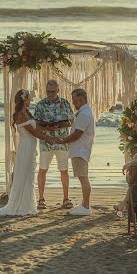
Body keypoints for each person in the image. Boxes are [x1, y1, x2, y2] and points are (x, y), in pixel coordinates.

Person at [0, 89, 58, 216]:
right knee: (25, 173)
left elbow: (36, 127)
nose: (30, 100)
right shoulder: (20, 115)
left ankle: (27, 204)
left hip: (30, 145)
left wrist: (49, 128)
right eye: (28, 98)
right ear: (24, 100)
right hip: (26, 146)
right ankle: (22, 205)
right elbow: (33, 132)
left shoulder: (26, 113)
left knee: (30, 174)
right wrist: (50, 139)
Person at [33, 79, 74, 210]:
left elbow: (72, 121)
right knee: (43, 170)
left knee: (64, 171)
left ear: (58, 90)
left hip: (62, 141)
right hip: (46, 142)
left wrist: (62, 124)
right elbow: (36, 125)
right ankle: (41, 199)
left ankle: (66, 198)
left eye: (52, 91)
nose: (50, 94)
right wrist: (47, 128)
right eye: (48, 91)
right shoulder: (40, 105)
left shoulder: (65, 103)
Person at [58, 88, 95, 216]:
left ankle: (86, 206)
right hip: (81, 149)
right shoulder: (84, 112)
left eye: (74, 100)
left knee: (83, 178)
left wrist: (63, 141)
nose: (73, 103)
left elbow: (77, 134)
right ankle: (85, 204)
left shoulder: (84, 114)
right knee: (83, 177)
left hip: (80, 150)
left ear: (81, 99)